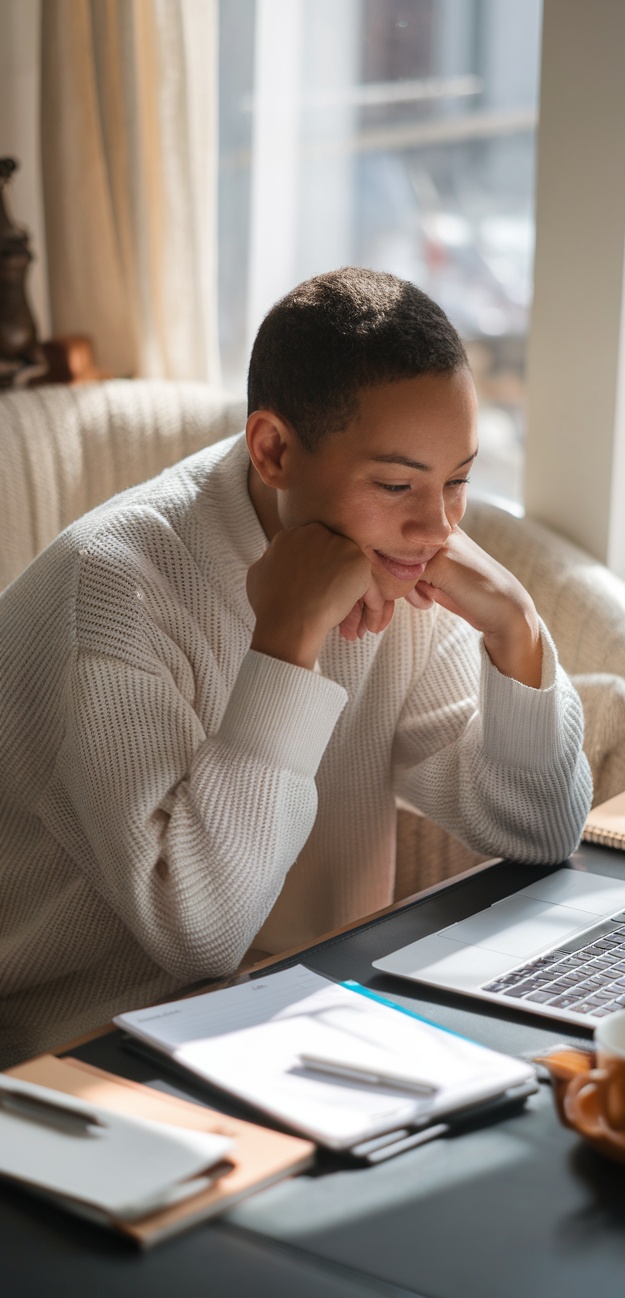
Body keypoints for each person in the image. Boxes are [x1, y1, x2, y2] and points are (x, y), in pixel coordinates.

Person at [0, 267, 591, 1066]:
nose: (435, 528)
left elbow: (543, 830)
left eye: (457, 481)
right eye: (395, 484)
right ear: (274, 450)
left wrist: (515, 629)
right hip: (78, 1052)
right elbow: (199, 931)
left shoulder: (403, 566)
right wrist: (286, 641)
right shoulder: (111, 588)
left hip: (309, 1013)